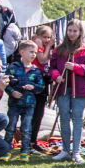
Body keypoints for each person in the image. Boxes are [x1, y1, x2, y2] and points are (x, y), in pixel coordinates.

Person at [49, 19, 85, 164]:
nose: (72, 33)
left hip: (80, 90)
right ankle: (65, 150)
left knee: (77, 120)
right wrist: (56, 76)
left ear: (80, 32)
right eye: (70, 30)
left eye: (75, 31)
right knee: (64, 118)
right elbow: (51, 67)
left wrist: (76, 67)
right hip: (63, 89)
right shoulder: (59, 49)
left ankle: (76, 151)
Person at [2, 40, 44, 162]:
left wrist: (33, 87)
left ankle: (25, 151)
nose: (33, 55)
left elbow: (41, 87)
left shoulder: (36, 70)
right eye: (31, 52)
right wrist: (12, 92)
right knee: (10, 128)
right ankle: (6, 150)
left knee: (26, 129)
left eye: (35, 52)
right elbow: (6, 83)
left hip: (29, 104)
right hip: (14, 104)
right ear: (22, 52)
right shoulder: (13, 67)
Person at [28, 25, 54, 154]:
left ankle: (32, 140)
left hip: (41, 80)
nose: (47, 40)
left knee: (38, 113)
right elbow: (42, 59)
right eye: (45, 37)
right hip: (34, 80)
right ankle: (29, 141)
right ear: (38, 36)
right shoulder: (36, 43)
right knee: (33, 113)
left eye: (49, 37)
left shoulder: (43, 45)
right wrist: (49, 46)